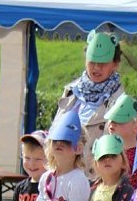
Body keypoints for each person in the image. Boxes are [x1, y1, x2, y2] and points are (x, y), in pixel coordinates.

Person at [54, 31, 125, 172]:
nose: (96, 68)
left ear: (115, 64)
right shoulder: (71, 90)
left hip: (95, 178)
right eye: (92, 62)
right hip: (62, 175)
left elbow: (120, 151)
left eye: (103, 63)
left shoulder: (121, 103)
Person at [105, 94, 137, 188]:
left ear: (136, 127)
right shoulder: (108, 153)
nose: (112, 123)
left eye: (119, 120)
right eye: (111, 119)